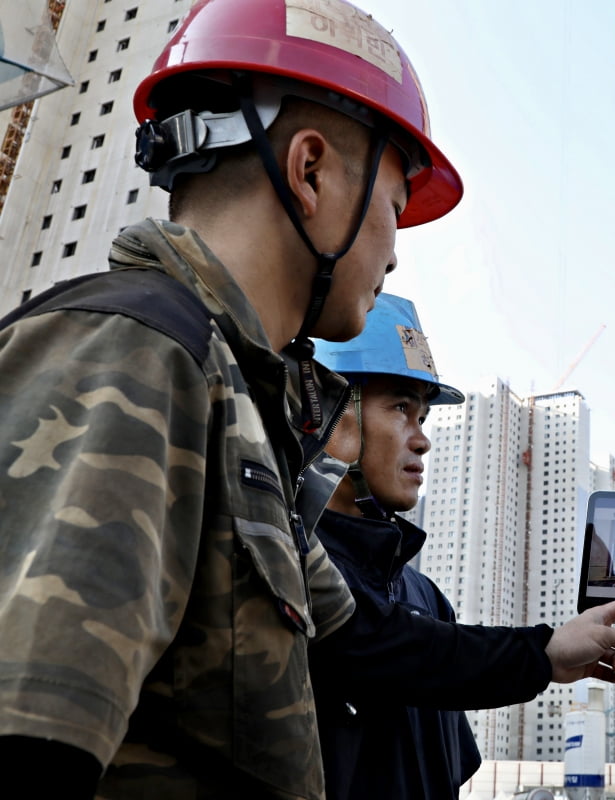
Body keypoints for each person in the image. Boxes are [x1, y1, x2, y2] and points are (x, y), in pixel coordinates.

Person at [0, 0, 466, 796]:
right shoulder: (139, 350)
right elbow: (31, 743)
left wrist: (551, 649)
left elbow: (366, 639)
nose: (395, 250)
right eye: (394, 206)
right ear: (310, 170)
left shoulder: (237, 400)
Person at [305, 294, 615, 800]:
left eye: (422, 417)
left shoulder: (424, 597)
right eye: (401, 408)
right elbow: (389, 644)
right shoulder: (285, 563)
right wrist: (545, 651)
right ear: (325, 414)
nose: (421, 440)